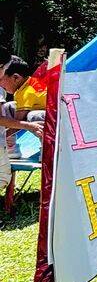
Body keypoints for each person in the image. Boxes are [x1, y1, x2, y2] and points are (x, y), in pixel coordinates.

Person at [0, 57, 46, 195]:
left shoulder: (27, 92)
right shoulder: (25, 86)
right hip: (39, 111)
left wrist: (2, 136)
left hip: (51, 118)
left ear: (15, 78)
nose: (0, 83)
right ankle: (11, 148)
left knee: (33, 118)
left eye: (2, 78)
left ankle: (47, 148)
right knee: (8, 107)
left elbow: (18, 124)